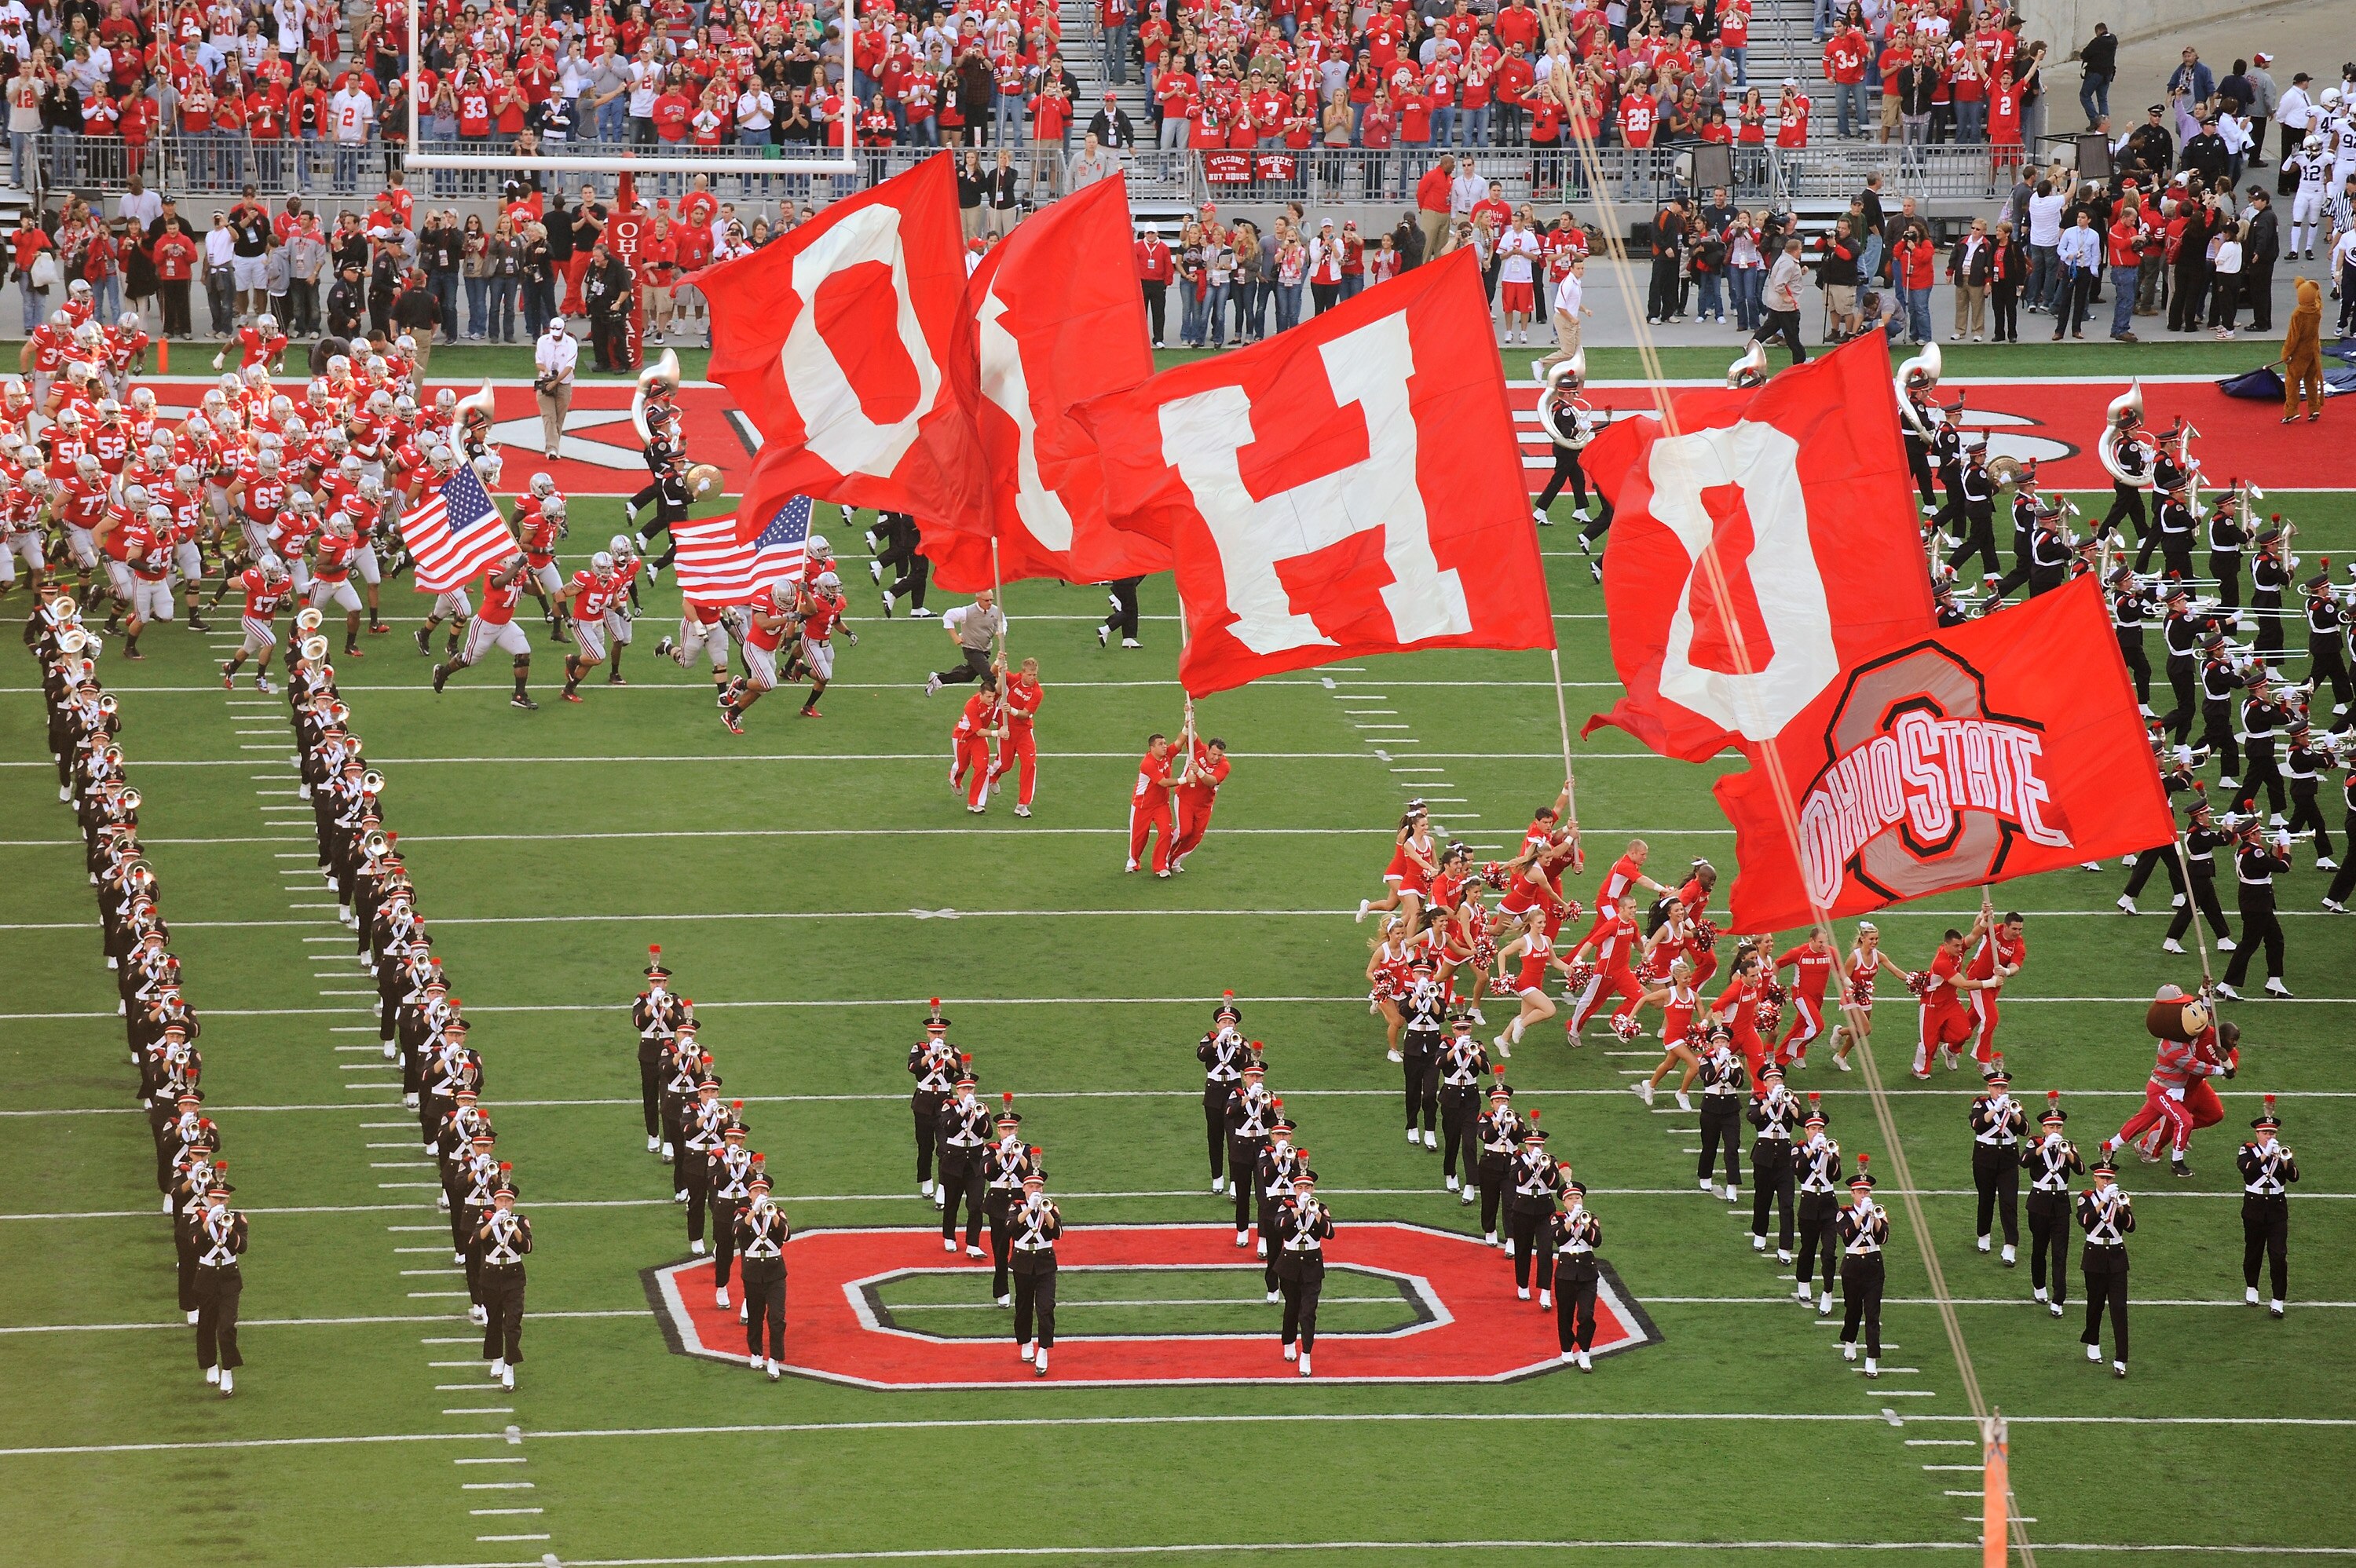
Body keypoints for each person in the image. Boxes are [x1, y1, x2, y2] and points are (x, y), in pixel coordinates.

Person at [188, 1162, 247, 1396]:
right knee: (206, 1325)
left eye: (223, 1200)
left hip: (230, 1277)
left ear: (228, 1201)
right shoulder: (198, 1216)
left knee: (227, 1327)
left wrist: (229, 1228)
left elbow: (242, 1248)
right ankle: (210, 1364)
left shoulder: (238, 1219)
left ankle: (228, 1370)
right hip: (206, 1276)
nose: (219, 1203)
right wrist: (208, 1221)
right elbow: (194, 1245)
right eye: (215, 1199)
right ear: (208, 1198)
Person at [2237, 1097, 2296, 1318]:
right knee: (2253, 1251)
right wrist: (2264, 1155)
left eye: (2272, 1133)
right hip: (2254, 1207)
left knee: (2278, 1255)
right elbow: (2248, 1171)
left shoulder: (2281, 1152)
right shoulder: (2248, 1150)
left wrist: (2284, 1161)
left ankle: (2278, 1299)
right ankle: (2252, 1287)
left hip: (2277, 1209)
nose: (2270, 1136)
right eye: (2266, 1133)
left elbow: (2295, 1177)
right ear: (2257, 1134)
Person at [2076, 1150, 2133, 1377]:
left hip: (2117, 1256)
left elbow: (2130, 1226)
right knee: (2096, 1304)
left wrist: (2120, 1206)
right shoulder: (2087, 1197)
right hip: (2095, 1255)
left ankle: (2121, 1359)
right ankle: (2093, 1342)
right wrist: (2102, 1202)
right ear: (2095, 1178)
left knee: (2119, 1308)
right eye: (2102, 1178)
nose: (2106, 1181)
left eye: (2109, 1178)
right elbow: (2085, 1221)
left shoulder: (2121, 1198)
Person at [1275, 1164, 1333, 1376]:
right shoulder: (1286, 1206)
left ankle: (1306, 1354)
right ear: (1294, 1188)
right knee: (1292, 1307)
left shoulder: (1321, 1207)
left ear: (1313, 1189)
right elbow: (1279, 1227)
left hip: (1312, 1265)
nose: (1304, 1191)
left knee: (1308, 1313)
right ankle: (1289, 1341)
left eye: (1308, 1186)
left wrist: (1316, 1213)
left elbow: (1329, 1233)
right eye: (1300, 1187)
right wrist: (1297, 1210)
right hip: (1289, 1265)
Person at [475, 1179, 530, 1391]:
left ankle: (510, 1365)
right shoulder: (486, 1218)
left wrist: (514, 1228)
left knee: (513, 1323)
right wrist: (492, 1222)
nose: (504, 1204)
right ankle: (497, 1357)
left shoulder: (521, 1220)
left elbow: (527, 1247)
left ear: (513, 1203)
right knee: (495, 1320)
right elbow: (476, 1239)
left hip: (514, 1276)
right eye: (501, 1200)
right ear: (495, 1202)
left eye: (508, 1201)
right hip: (490, 1276)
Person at [1970, 1061, 2026, 1265]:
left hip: (2009, 1159)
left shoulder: (2015, 1106)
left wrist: (2014, 1114)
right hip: (1985, 1157)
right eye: (1996, 1087)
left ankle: (2010, 1246)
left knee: (2009, 1202)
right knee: (1986, 1199)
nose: (2000, 1091)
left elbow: (2025, 1130)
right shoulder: (1981, 1103)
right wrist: (1995, 1109)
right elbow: (1977, 1124)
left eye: (2003, 1087)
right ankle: (1983, 1234)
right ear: (1989, 1088)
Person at [735, 1168, 788, 1379]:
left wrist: (772, 1213)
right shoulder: (740, 1212)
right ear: (749, 1194)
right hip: (753, 1273)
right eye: (756, 1190)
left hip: (775, 1273)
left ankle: (774, 1359)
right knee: (755, 1316)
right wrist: (752, 1212)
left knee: (777, 1317)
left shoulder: (777, 1211)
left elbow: (786, 1234)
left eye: (763, 1191)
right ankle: (756, 1351)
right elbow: (738, 1232)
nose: (759, 1194)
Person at [1836, 1154, 1886, 1378]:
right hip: (1853, 1266)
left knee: (1873, 1314)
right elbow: (1847, 1237)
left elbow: (1883, 1238)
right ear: (1852, 1193)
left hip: (1874, 1267)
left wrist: (1874, 1217)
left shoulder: (1878, 1212)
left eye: (1867, 1192)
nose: (1864, 1195)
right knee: (1853, 1309)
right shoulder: (1844, 1213)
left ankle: (1871, 1358)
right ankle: (1850, 1340)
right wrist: (1860, 1217)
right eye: (1860, 1192)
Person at [1011, 1164, 1062, 1376]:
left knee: (1045, 1307)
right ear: (1024, 1188)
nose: (1035, 1190)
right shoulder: (1016, 1206)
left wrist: (1045, 1211)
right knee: (1023, 1306)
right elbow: (1010, 1228)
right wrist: (1030, 1209)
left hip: (1045, 1262)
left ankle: (1043, 1349)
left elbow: (1057, 1233)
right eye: (1031, 1186)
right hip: (1022, 1262)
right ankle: (1025, 1342)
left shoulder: (1051, 1207)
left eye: (1038, 1187)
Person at [1550, 1182, 1604, 1370]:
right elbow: (1559, 1238)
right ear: (1564, 1203)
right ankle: (1566, 1349)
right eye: (1571, 1199)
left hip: (1587, 1273)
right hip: (1566, 1272)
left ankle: (1585, 1352)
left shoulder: (1591, 1218)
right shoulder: (1556, 1218)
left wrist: (1585, 1224)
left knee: (1586, 1315)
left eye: (1578, 1198)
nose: (1575, 1202)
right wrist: (1571, 1219)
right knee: (1565, 1314)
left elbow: (1596, 1241)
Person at [924, 589, 1002, 693]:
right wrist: (955, 637)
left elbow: (1002, 622)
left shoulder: (995, 611)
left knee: (968, 675)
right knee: (990, 678)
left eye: (991, 600)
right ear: (978, 599)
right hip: (971, 649)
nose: (990, 603)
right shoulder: (966, 612)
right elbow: (948, 616)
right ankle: (992, 703)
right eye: (987, 600)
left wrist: (1001, 632)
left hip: (985, 649)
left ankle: (938, 679)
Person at [1127, 730, 1177, 877]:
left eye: (1165, 743)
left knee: (1166, 833)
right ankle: (1134, 861)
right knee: (1139, 837)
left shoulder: (1167, 755)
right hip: (1142, 805)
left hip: (1161, 805)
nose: (1165, 746)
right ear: (1152, 748)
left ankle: (1161, 866)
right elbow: (1163, 782)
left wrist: (1188, 724)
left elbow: (1180, 741)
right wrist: (1185, 780)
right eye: (1160, 744)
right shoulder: (1147, 763)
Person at [2282, 276, 2324, 423]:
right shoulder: (2317, 311)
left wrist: (2286, 354)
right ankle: (2314, 409)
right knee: (2311, 381)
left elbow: (2292, 338)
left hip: (2299, 354)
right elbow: (2318, 299)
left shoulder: (2298, 314)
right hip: (2314, 351)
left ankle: (2292, 410)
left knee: (2292, 382)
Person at [533, 313, 576, 459]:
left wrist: (555, 382)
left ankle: (553, 446)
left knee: (559, 418)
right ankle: (551, 449)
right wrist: (546, 372)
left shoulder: (571, 343)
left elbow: (569, 366)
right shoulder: (542, 341)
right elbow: (538, 362)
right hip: (545, 382)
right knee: (549, 416)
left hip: (564, 383)